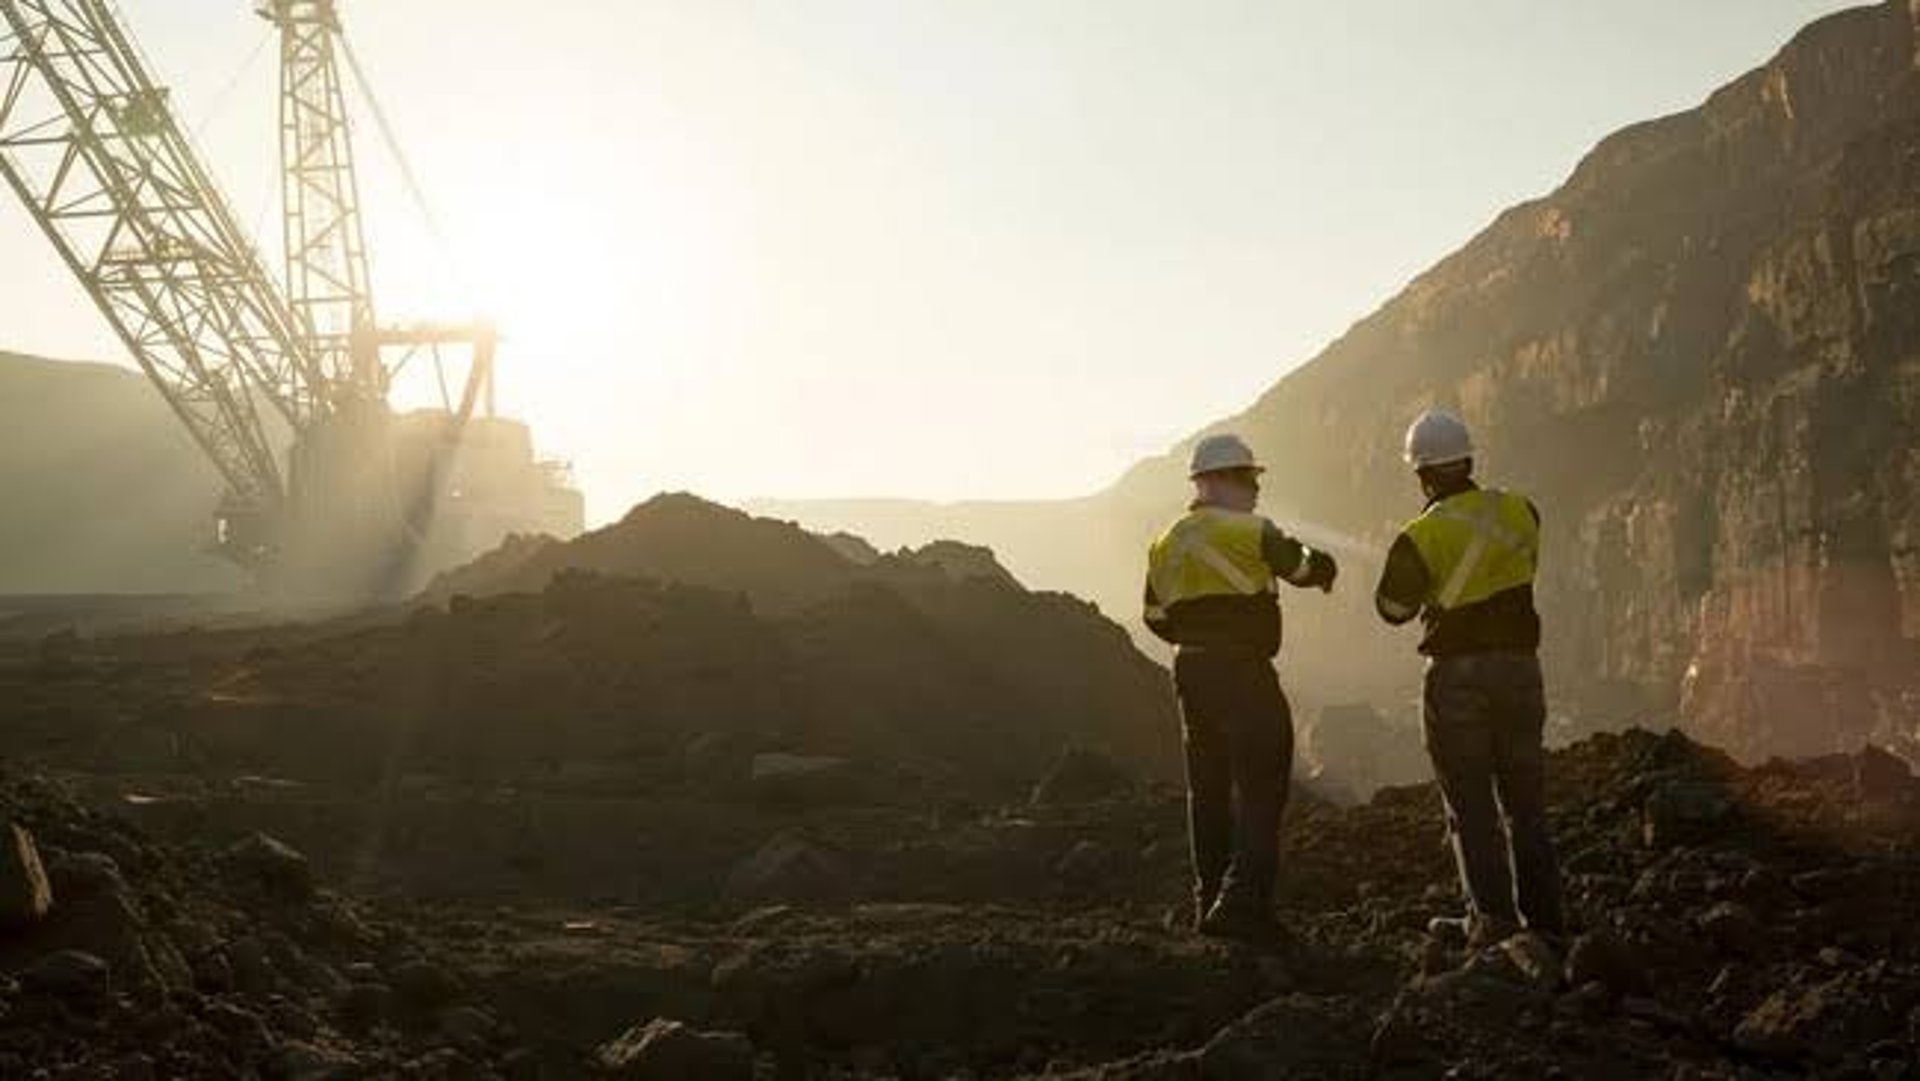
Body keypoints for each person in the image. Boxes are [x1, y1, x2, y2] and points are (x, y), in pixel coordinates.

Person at [1373, 410, 1564, 948]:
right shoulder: (1521, 510)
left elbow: (1392, 608)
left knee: (1471, 804)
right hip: (1522, 669)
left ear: (1421, 474)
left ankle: (1492, 922)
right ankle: (1547, 923)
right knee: (1526, 801)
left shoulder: (1421, 536)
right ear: (1469, 459)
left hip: (1457, 676)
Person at [1143, 433, 1337, 940]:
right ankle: (1244, 901)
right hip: (1242, 672)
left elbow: (1154, 616)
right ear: (1219, 482)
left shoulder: (1165, 543)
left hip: (1191, 672)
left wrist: (1197, 635)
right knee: (1264, 780)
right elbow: (1300, 566)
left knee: (1207, 790)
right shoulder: (1251, 531)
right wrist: (1325, 567)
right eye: (1248, 478)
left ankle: (1208, 903)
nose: (1255, 488)